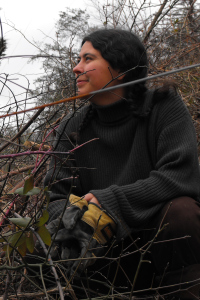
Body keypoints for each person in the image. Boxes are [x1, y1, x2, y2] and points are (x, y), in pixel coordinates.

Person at [43, 29, 200, 299]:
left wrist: (110, 201)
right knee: (41, 246)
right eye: (78, 59)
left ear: (121, 68)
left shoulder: (163, 106)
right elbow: (55, 195)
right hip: (103, 255)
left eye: (87, 59)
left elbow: (180, 174)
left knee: (181, 212)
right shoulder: (72, 126)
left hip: (158, 244)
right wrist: (74, 219)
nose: (75, 68)